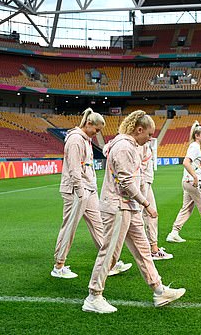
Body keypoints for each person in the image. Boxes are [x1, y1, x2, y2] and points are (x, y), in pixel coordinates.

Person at [83, 110, 185, 314]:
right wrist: (146, 203)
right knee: (110, 252)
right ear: (139, 130)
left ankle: (158, 290)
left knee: (143, 250)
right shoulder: (124, 147)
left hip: (129, 207)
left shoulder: (127, 145)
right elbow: (126, 181)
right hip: (118, 207)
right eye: (148, 134)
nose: (150, 139)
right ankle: (93, 296)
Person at [52, 108, 131, 278]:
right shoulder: (75, 140)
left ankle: (109, 263)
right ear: (88, 123)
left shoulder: (85, 139)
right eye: (96, 130)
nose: (97, 134)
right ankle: (59, 265)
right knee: (69, 227)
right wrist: (80, 192)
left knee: (99, 226)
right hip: (76, 191)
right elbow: (74, 169)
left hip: (88, 189)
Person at [140, 139, 173, 260]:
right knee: (136, 218)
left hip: (145, 182)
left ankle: (152, 248)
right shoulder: (137, 145)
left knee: (150, 215)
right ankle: (150, 249)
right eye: (148, 134)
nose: (150, 137)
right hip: (141, 183)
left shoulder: (143, 144)